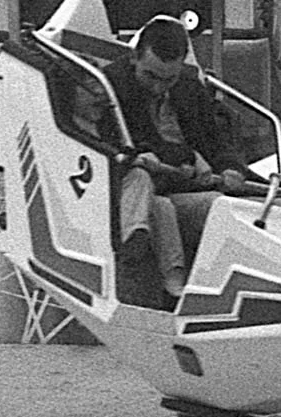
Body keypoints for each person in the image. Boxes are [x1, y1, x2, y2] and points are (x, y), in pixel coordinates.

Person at [105, 15, 260, 299]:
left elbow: (217, 141)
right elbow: (132, 144)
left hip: (187, 187)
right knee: (169, 206)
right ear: (134, 59)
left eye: (169, 79)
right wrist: (187, 157)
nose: (158, 87)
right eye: (150, 76)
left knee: (243, 209)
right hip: (142, 188)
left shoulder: (189, 90)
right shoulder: (114, 88)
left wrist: (231, 168)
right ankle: (178, 287)